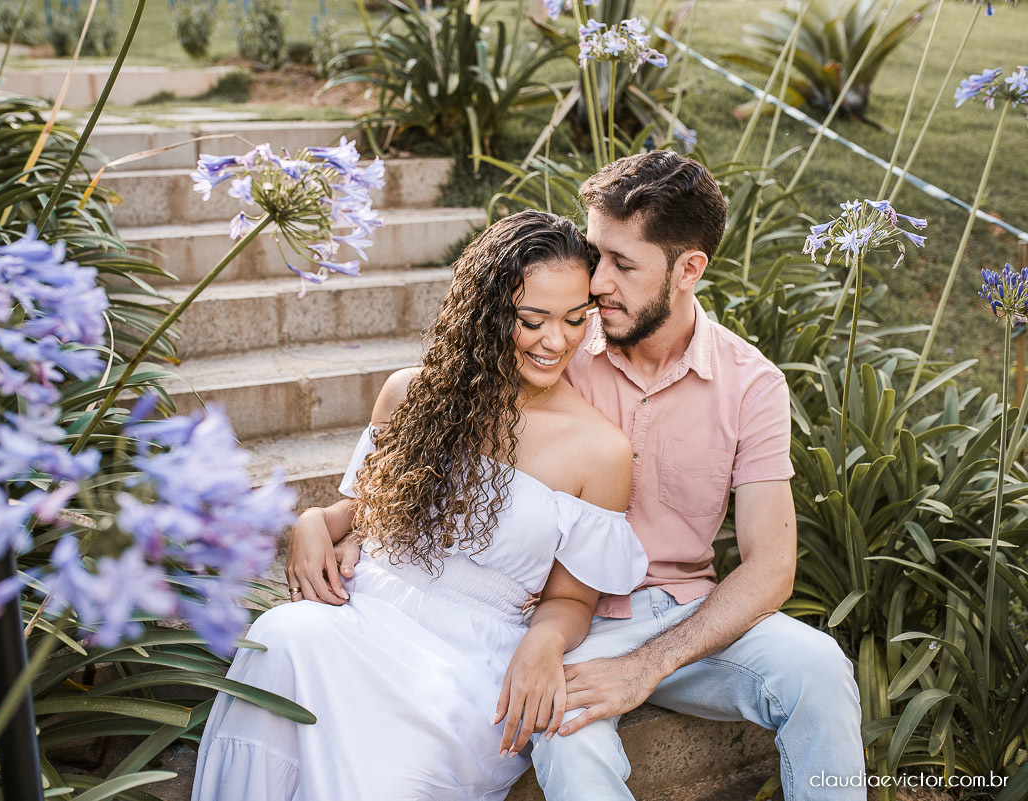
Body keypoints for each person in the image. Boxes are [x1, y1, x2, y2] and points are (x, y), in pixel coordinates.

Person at [288, 152, 867, 801]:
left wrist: (643, 667)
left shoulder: (751, 383)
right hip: (567, 621)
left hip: (687, 613)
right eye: (596, 255)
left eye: (623, 263)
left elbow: (771, 567)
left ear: (689, 269)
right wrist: (334, 521)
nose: (596, 284)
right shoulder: (555, 346)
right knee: (566, 734)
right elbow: (435, 450)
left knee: (819, 668)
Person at [191, 210, 649, 801]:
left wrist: (545, 641)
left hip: (471, 659)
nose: (555, 341)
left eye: (573, 319)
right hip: (370, 608)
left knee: (384, 766)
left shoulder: (603, 452)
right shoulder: (412, 394)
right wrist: (311, 522)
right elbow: (361, 512)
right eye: (532, 319)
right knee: (285, 635)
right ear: (486, 315)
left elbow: (571, 599)